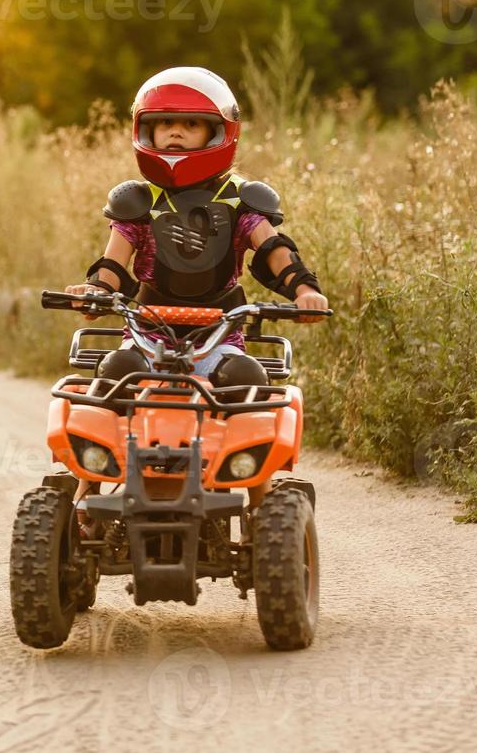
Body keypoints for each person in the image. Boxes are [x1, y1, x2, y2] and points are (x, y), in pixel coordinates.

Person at [63, 66, 329, 522]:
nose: (175, 134)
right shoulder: (137, 201)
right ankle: (83, 503)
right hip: (147, 336)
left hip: (220, 337)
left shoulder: (242, 199)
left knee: (246, 381)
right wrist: (94, 292)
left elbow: (273, 250)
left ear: (219, 133)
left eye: (190, 125)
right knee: (116, 369)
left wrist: (305, 289)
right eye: (164, 124)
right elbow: (112, 263)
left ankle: (264, 516)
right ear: (145, 130)